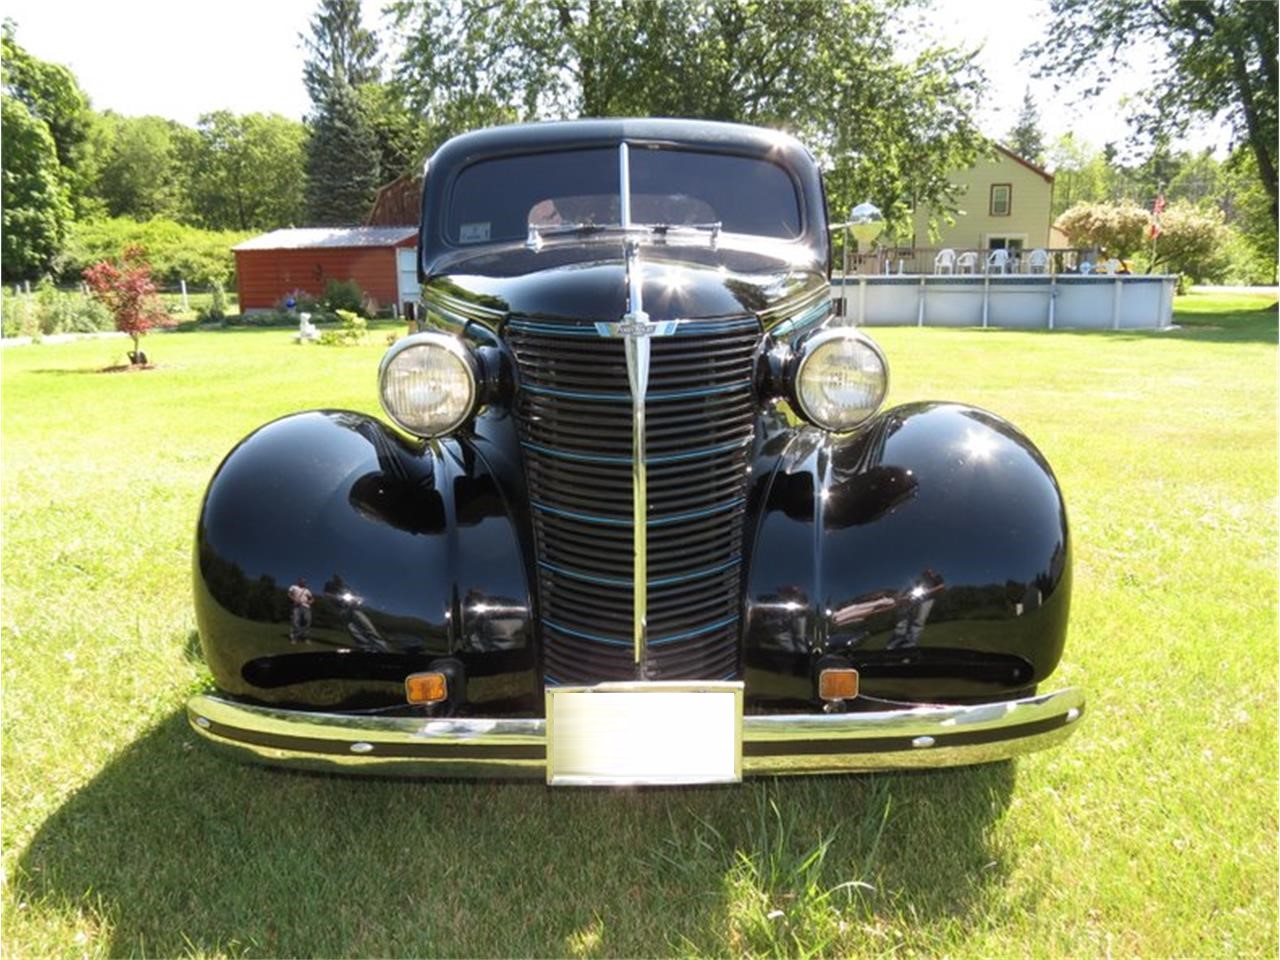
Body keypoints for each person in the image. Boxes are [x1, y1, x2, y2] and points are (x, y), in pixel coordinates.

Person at [287, 577, 313, 642]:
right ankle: (295, 637)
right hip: (297, 606)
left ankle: (305, 637)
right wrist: (294, 599)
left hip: (306, 607)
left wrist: (310, 602)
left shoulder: (307, 590)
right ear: (299, 581)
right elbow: (289, 594)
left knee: (307, 622)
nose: (303, 582)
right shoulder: (293, 587)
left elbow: (312, 599)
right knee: (295, 621)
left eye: (305, 582)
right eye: (302, 581)